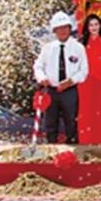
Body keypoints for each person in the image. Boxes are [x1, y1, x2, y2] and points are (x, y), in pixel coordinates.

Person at [33, 11, 88, 144]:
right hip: (51, 91)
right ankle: (51, 149)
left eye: (65, 27)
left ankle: (73, 151)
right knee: (50, 123)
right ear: (54, 30)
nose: (62, 31)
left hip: (70, 91)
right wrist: (42, 78)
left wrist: (70, 81)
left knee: (71, 123)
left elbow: (84, 71)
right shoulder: (47, 48)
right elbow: (38, 66)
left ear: (70, 29)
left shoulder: (78, 48)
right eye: (59, 28)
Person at [77, 14, 101, 144]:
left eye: (96, 24)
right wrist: (95, 62)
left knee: (99, 109)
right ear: (87, 27)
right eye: (91, 25)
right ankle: (85, 139)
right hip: (84, 82)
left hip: (99, 81)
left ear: (100, 26)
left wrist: (93, 63)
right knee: (85, 110)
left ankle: (100, 139)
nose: (94, 27)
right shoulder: (82, 44)